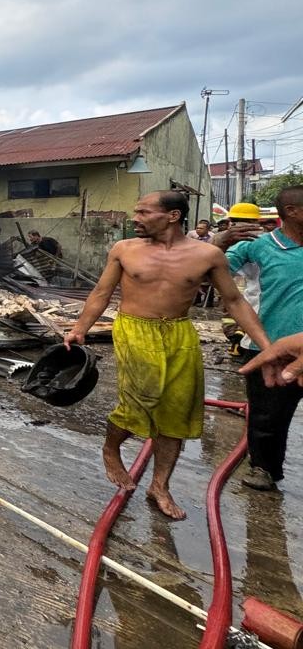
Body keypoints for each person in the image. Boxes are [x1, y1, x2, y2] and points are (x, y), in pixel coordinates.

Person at [64, 190, 268, 520]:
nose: (136, 218)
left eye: (144, 212)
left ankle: (160, 485)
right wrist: (79, 328)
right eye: (137, 211)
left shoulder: (207, 255)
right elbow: (101, 293)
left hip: (179, 332)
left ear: (172, 216)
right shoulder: (124, 249)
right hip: (134, 329)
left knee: (177, 409)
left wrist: (267, 346)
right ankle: (111, 447)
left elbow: (234, 301)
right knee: (140, 400)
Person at [222, 186, 303, 491]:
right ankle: (264, 468)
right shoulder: (258, 248)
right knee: (268, 417)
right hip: (270, 348)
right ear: (292, 212)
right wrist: (216, 245)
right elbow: (213, 271)